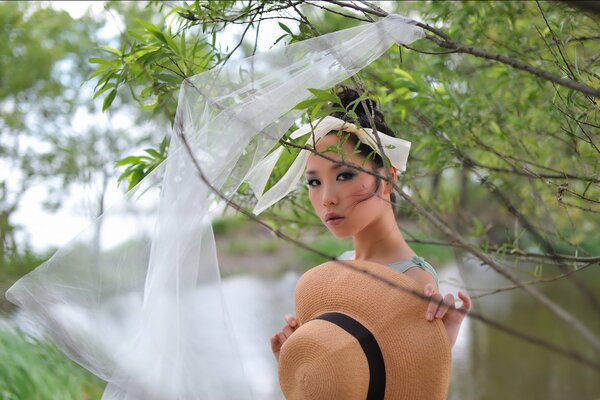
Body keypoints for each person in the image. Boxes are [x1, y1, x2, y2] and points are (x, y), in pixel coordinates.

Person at [270, 85, 471, 363]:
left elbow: (405, 384)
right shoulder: (338, 266)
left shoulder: (412, 281)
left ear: (388, 177)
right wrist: (298, 363)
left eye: (344, 175)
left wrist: (440, 344)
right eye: (314, 182)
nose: (327, 199)